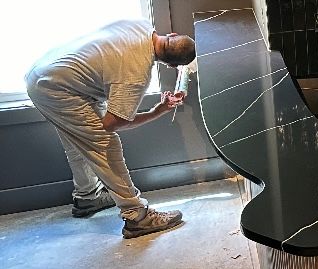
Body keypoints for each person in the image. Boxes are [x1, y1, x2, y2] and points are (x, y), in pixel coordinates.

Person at [25, 19, 197, 239]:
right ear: (171, 65)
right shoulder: (136, 74)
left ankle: (87, 197)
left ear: (172, 34)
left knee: (80, 140)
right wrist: (158, 111)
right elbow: (111, 125)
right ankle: (137, 216)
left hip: (47, 71)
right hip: (56, 88)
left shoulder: (139, 25)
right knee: (105, 146)